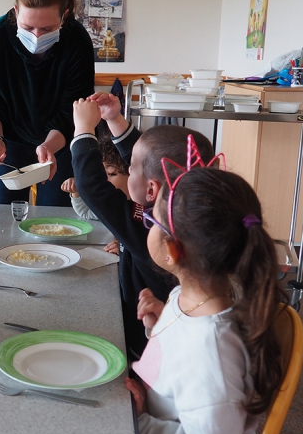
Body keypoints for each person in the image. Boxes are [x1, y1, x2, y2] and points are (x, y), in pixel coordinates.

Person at [127, 162, 287, 434]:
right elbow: (181, 362)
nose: (146, 222)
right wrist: (161, 325)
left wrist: (136, 423)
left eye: (151, 219)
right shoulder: (189, 297)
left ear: (172, 252)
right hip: (154, 416)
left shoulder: (210, 354)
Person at [71, 93, 215, 358]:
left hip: (148, 345)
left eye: (131, 168)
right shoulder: (184, 211)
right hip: (169, 329)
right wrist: (114, 119)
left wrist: (83, 131)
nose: (128, 168)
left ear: (151, 189)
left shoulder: (152, 229)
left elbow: (93, 188)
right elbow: (152, 159)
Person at [0, 0, 95, 206]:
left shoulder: (76, 41)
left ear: (64, 16)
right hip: (8, 141)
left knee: (56, 217)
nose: (36, 36)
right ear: (16, 12)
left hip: (59, 142)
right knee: (5, 215)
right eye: (27, 28)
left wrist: (49, 145)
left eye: (47, 29)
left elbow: (73, 110)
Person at [61, 137, 129, 254]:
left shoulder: (142, 211)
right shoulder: (109, 205)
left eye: (111, 174)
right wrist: (77, 191)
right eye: (101, 174)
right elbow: (86, 211)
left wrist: (125, 247)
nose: (104, 180)